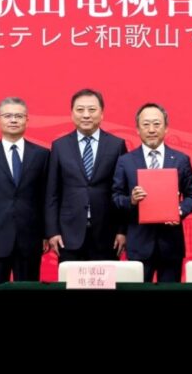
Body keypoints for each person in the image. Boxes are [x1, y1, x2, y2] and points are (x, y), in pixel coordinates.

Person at [0, 97, 50, 371]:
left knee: (28, 303)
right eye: (8, 115)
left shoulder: (42, 155)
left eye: (19, 115)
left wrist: (47, 233)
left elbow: (46, 198)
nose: (13, 120)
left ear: (27, 120)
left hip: (30, 238)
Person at [112, 103, 192, 282]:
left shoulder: (181, 160)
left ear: (166, 128)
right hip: (139, 243)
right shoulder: (125, 161)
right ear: (137, 129)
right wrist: (131, 200)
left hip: (171, 244)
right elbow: (115, 197)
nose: (151, 129)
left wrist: (180, 210)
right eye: (146, 124)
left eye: (157, 124)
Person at [45, 89, 128, 261]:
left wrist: (122, 231)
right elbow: (52, 193)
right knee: (71, 279)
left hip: (107, 234)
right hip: (68, 234)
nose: (86, 115)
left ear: (102, 113)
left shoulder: (116, 145)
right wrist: (52, 231)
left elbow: (122, 191)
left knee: (106, 279)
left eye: (92, 110)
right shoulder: (59, 146)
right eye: (80, 110)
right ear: (72, 114)